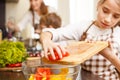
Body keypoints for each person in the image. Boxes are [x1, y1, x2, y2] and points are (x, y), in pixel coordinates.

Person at [40, 0, 120, 80]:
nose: (108, 19)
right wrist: (47, 41)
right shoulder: (83, 27)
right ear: (98, 6)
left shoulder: (118, 33)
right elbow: (50, 33)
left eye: (116, 16)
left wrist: (110, 56)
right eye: (105, 11)